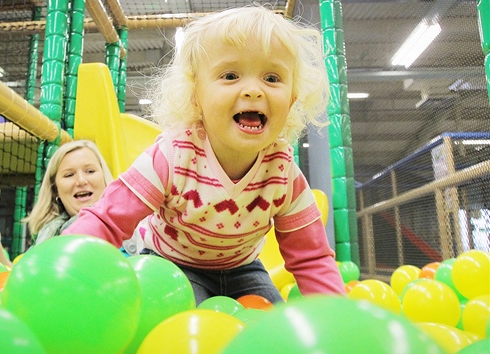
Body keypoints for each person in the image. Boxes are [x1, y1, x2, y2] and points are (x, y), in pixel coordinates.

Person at [62, 6, 346, 305]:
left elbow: (311, 257)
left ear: (291, 100)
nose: (253, 90)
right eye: (231, 75)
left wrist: (337, 315)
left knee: (271, 326)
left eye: (272, 78)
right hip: (171, 264)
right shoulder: (172, 156)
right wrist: (62, 264)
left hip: (244, 269)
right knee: (181, 321)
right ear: (196, 96)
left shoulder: (283, 172)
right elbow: (107, 220)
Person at [0, 140, 117, 267]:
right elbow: (29, 287)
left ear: (105, 179)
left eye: (90, 171)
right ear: (55, 190)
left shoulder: (131, 230)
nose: (81, 180)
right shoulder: (48, 238)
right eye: (68, 175)